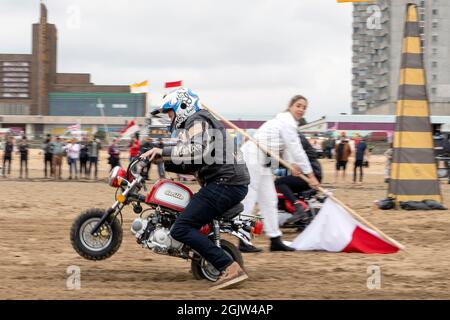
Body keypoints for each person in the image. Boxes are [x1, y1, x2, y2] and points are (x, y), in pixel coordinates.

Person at [140, 87, 250, 290]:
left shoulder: (196, 120)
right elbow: (195, 162)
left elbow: (198, 150)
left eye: (170, 112)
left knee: (181, 228)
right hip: (228, 181)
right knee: (185, 220)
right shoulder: (200, 120)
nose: (169, 118)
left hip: (225, 182)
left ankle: (229, 267)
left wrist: (163, 151)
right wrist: (163, 160)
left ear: (181, 106)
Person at [239, 94, 320, 253]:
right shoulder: (286, 122)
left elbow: (288, 148)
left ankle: (275, 239)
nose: (301, 109)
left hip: (265, 161)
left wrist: (294, 165)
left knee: (270, 199)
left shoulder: (288, 124)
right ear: (290, 106)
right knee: (250, 198)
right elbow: (295, 148)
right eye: (298, 105)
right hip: (252, 158)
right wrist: (311, 176)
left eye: (304, 107)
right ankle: (243, 240)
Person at [274, 132, 323, 229]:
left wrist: (308, 173)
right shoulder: (292, 137)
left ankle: (298, 208)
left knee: (279, 182)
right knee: (283, 184)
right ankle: (300, 217)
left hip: (311, 174)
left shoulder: (296, 138)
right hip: (309, 173)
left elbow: (301, 156)